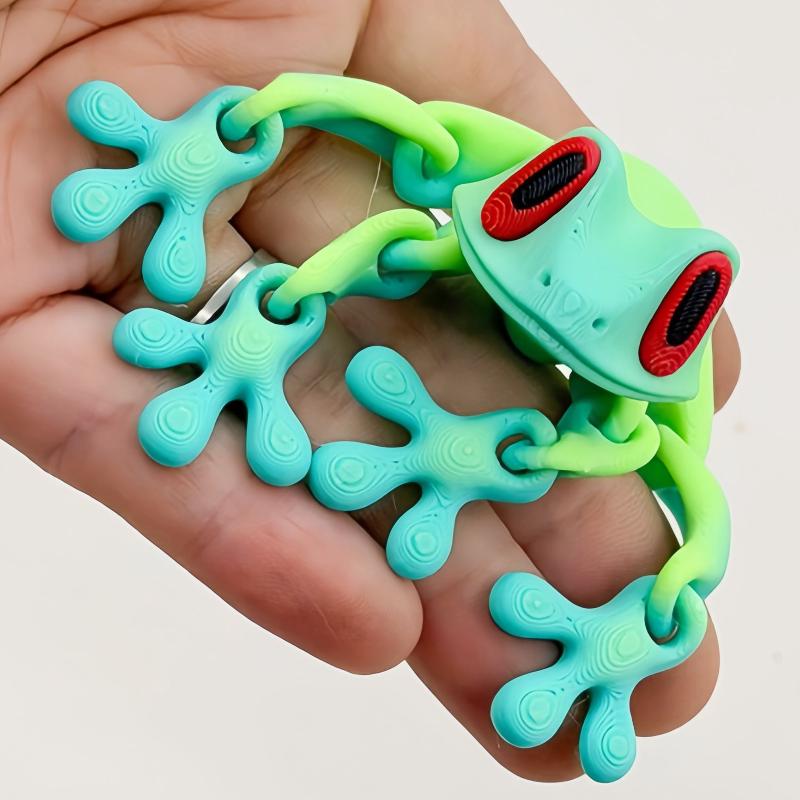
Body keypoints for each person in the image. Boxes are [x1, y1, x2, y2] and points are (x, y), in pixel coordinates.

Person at [0, 0, 740, 781]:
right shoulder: (435, 231)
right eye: (554, 184)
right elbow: (400, 144)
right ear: (541, 182)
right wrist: (252, 172)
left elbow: (675, 468)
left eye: (685, 308)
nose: (564, 302)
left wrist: (660, 601)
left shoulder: (628, 404)